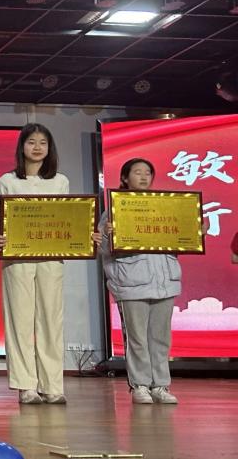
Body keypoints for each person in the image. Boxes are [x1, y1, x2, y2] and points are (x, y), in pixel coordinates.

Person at [0, 123, 70, 405]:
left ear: (50, 148)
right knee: (19, 321)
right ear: (22, 147)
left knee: (51, 320)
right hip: (17, 258)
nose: (37, 147)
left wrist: (85, 235)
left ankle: (52, 385)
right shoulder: (7, 180)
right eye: (31, 142)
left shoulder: (60, 181)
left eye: (43, 143)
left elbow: (70, 217)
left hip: (51, 257)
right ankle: (26, 386)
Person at [95, 158, 186, 404]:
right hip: (131, 283)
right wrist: (106, 236)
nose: (144, 176)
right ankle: (140, 385)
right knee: (137, 339)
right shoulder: (113, 211)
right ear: (125, 178)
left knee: (161, 338)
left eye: (148, 172)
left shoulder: (165, 206)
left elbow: (178, 237)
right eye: (137, 172)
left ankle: (161, 385)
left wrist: (194, 232)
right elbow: (103, 249)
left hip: (165, 281)